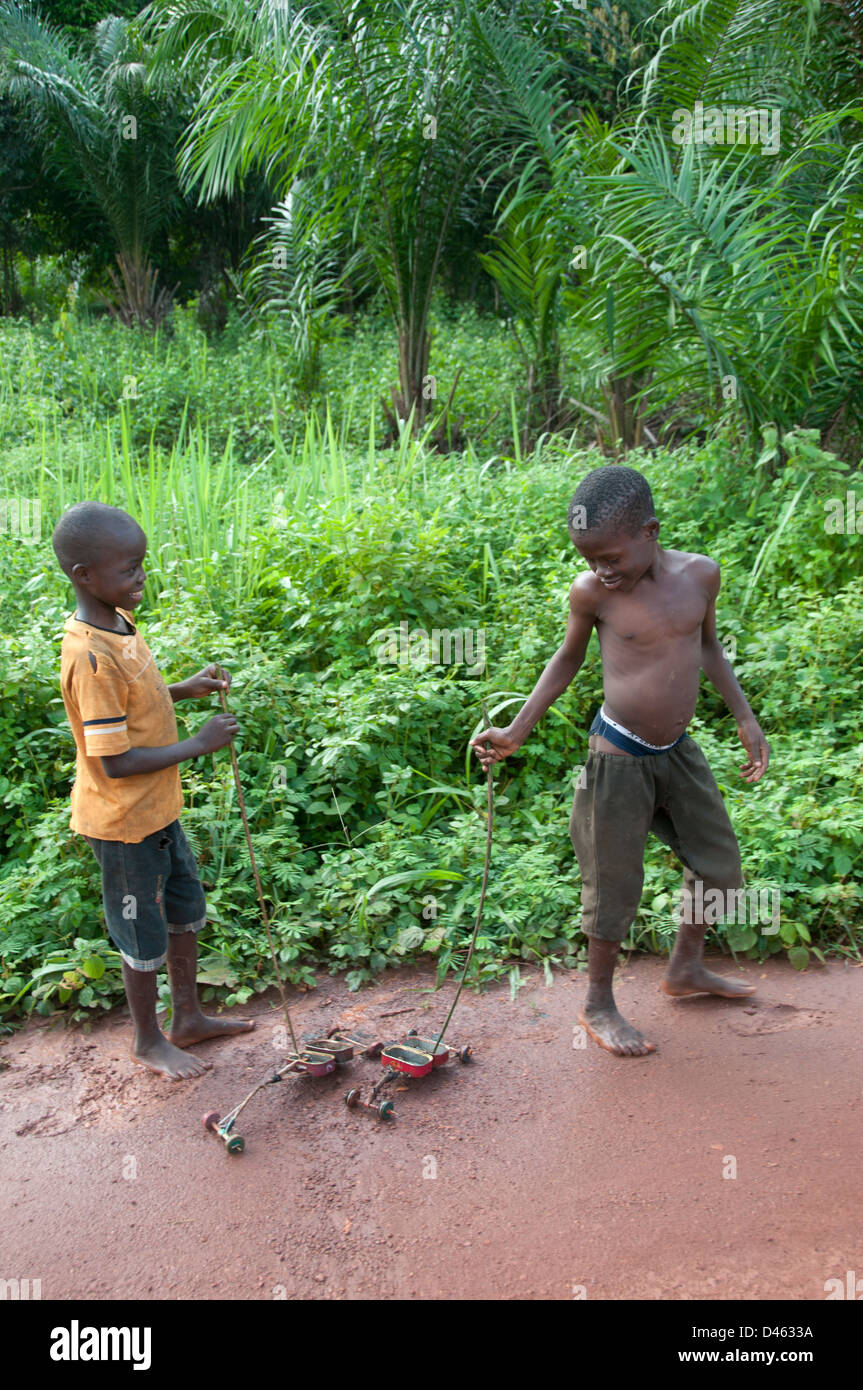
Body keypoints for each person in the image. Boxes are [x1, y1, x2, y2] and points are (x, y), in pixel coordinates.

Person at [471, 465, 769, 1056]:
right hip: (618, 757)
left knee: (718, 867)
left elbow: (708, 645)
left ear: (650, 531)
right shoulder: (593, 594)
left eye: (610, 557)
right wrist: (518, 729)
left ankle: (685, 969)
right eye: (589, 559)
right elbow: (566, 661)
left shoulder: (701, 576)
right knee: (612, 888)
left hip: (677, 750)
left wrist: (744, 715)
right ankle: (597, 1004)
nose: (600, 570)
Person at [52, 500, 254, 1079]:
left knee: (186, 910)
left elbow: (137, 704)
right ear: (83, 576)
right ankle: (147, 1039)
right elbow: (113, 762)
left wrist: (186, 689)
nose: (140, 576)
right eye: (128, 568)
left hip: (158, 812)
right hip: (123, 825)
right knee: (140, 932)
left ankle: (187, 1017)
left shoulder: (117, 624)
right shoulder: (90, 656)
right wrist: (198, 743)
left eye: (141, 563)